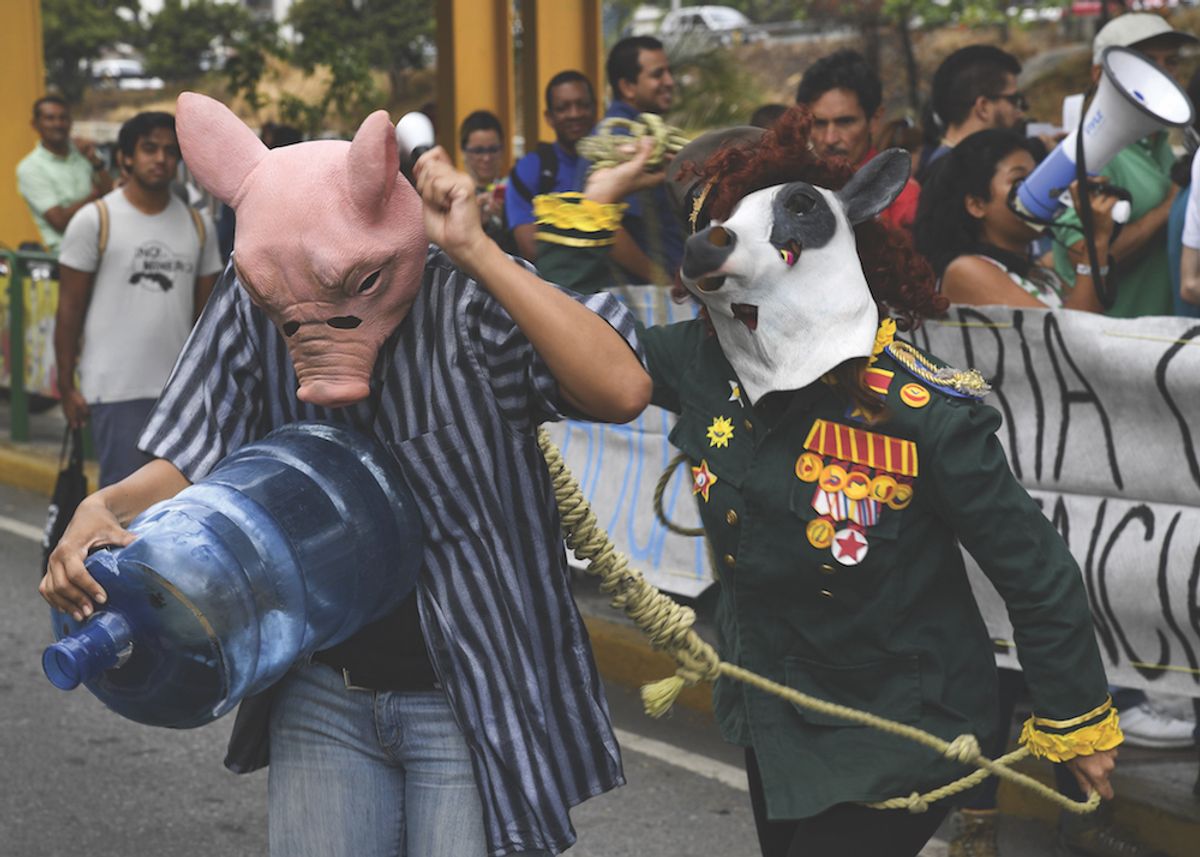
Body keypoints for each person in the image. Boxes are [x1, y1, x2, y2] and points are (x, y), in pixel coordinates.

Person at [41, 92, 651, 857]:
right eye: (280, 302)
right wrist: (108, 502)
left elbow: (621, 389)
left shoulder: (461, 298)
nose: (300, 319)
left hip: (465, 694)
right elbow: (197, 446)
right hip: (321, 689)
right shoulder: (253, 290)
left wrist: (478, 251)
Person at [532, 106, 1121, 857]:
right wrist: (600, 196)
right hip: (773, 706)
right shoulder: (703, 364)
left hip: (903, 723)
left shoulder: (923, 413)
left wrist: (1075, 718)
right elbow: (580, 335)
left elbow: (1034, 569)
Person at [54, 111, 221, 488]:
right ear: (126, 157)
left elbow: (207, 319)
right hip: (116, 389)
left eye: (169, 151)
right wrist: (67, 386)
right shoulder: (94, 220)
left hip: (180, 396)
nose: (161, 158)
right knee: (121, 514)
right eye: (149, 148)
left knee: (176, 509)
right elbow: (69, 310)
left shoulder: (200, 226)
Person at [1052, 13, 1198, 320]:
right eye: (1146, 61)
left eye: (1171, 61)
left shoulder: (1159, 147)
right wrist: (1169, 207)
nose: (1164, 73)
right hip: (1117, 345)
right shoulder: (1091, 153)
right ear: (1098, 74)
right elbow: (1086, 256)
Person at [913, 129, 1116, 312]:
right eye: (1019, 181)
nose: (1036, 191)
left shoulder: (1037, 272)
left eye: (1036, 178)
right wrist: (1095, 241)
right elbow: (1073, 337)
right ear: (977, 205)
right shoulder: (966, 271)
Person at [795, 49, 921, 230]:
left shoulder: (901, 195)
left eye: (845, 122)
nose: (830, 139)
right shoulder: (791, 192)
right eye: (819, 123)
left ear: (875, 119)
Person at [595, 35, 683, 283]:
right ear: (627, 87)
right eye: (658, 75)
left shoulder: (646, 134)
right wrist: (662, 281)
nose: (669, 81)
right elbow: (609, 230)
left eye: (669, 72)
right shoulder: (621, 140)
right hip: (645, 300)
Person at [505, 70, 598, 261]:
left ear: (595, 109)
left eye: (583, 105)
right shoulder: (530, 170)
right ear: (549, 117)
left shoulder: (617, 163)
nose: (575, 114)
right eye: (563, 108)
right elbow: (531, 249)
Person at [16, 95, 113, 253]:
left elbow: (113, 195)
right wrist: (95, 196)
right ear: (35, 124)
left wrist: (95, 161)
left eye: (63, 118)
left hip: (107, 245)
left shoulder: (85, 153)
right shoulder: (30, 168)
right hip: (69, 254)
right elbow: (59, 221)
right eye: (50, 118)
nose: (58, 124)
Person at [917, 45, 1027, 181]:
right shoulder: (957, 180)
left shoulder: (953, 167)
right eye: (1014, 100)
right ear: (983, 107)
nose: (1020, 112)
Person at [458, 110, 509, 246]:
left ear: (503, 149)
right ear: (463, 151)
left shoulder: (515, 191)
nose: (486, 158)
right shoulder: (454, 195)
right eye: (478, 151)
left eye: (493, 150)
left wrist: (507, 217)